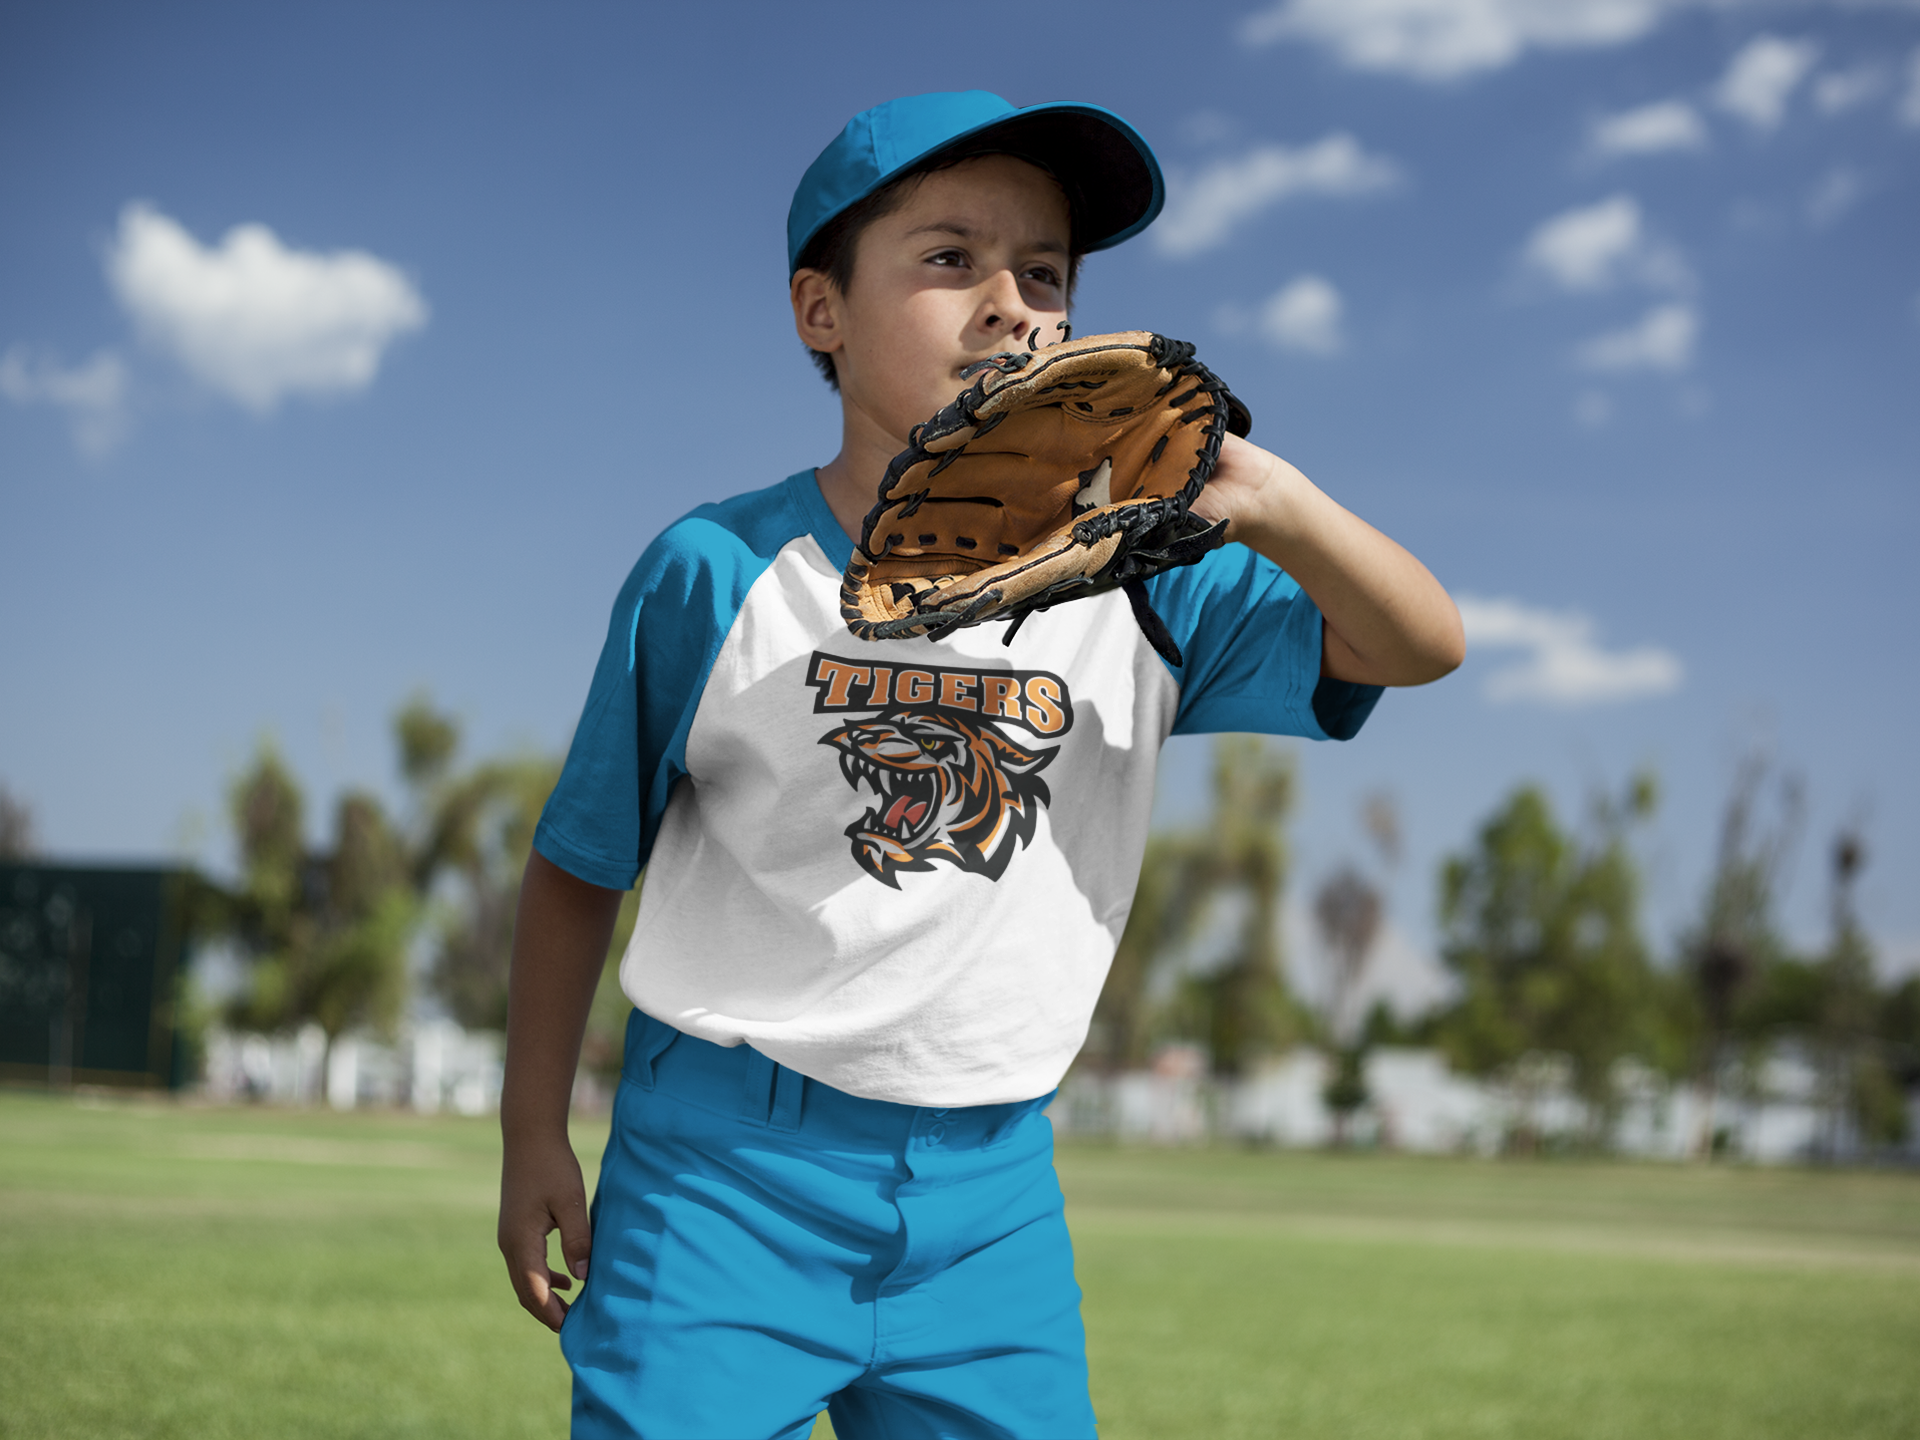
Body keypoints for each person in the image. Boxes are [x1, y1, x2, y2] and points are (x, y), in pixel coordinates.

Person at [496, 90, 1463, 1439]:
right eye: (950, 259)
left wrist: (1268, 499)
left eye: (1047, 274)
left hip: (989, 1194)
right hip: (721, 1173)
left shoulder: (1140, 586)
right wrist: (530, 1131)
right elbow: (577, 865)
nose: (1012, 303)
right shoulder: (714, 573)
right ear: (818, 311)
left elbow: (1420, 642)